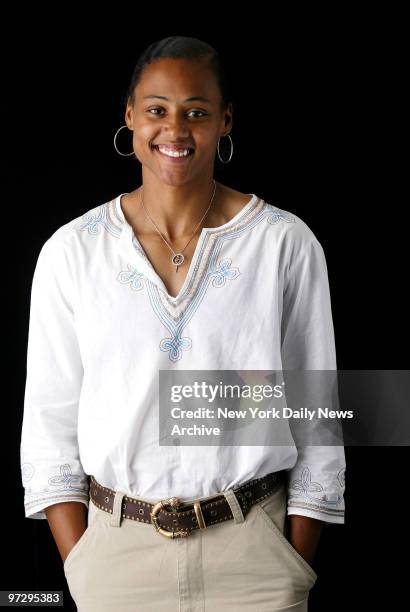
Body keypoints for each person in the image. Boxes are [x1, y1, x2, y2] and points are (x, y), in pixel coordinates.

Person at [20, 36, 346, 611]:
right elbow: (49, 426)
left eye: (196, 111)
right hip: (115, 562)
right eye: (157, 110)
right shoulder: (72, 252)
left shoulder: (283, 244)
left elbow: (316, 412)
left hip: (254, 556)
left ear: (224, 122)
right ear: (129, 117)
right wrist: (84, 565)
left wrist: (290, 560)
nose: (175, 129)